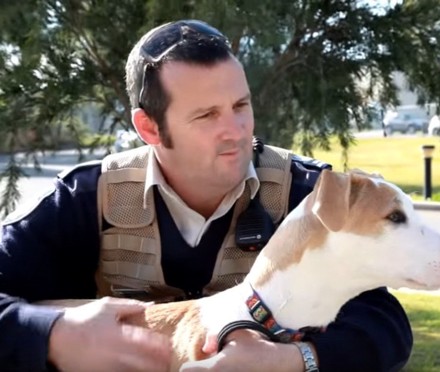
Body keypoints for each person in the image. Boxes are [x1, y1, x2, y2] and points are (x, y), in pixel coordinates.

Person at [0, 19, 413, 372]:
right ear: (149, 128)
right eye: (206, 115)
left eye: (240, 105)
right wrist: (53, 335)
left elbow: (383, 324)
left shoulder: (308, 195)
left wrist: (291, 360)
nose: (235, 130)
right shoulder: (86, 199)